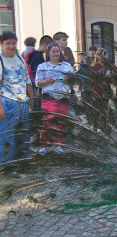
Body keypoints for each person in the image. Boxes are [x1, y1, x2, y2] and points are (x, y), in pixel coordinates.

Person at [0, 31, 34, 164]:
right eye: (7, 43)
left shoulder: (20, 59)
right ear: (2, 44)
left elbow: (27, 81)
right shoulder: (1, 60)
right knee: (8, 135)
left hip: (22, 101)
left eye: (13, 43)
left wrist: (32, 98)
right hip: (7, 102)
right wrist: (0, 108)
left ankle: (23, 160)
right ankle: (7, 164)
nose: (11, 46)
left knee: (23, 132)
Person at [35, 43, 74, 154]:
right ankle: (44, 145)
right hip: (49, 98)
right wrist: (47, 81)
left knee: (61, 121)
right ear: (49, 53)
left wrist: (69, 79)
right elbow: (38, 83)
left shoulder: (67, 66)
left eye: (57, 51)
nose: (56, 53)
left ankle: (58, 145)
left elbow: (74, 80)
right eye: (53, 52)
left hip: (64, 98)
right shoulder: (42, 67)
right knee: (47, 121)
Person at [27, 35, 53, 110]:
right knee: (38, 106)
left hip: (34, 83)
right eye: (49, 46)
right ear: (44, 45)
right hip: (36, 86)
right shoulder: (38, 57)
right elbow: (36, 72)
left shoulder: (34, 55)